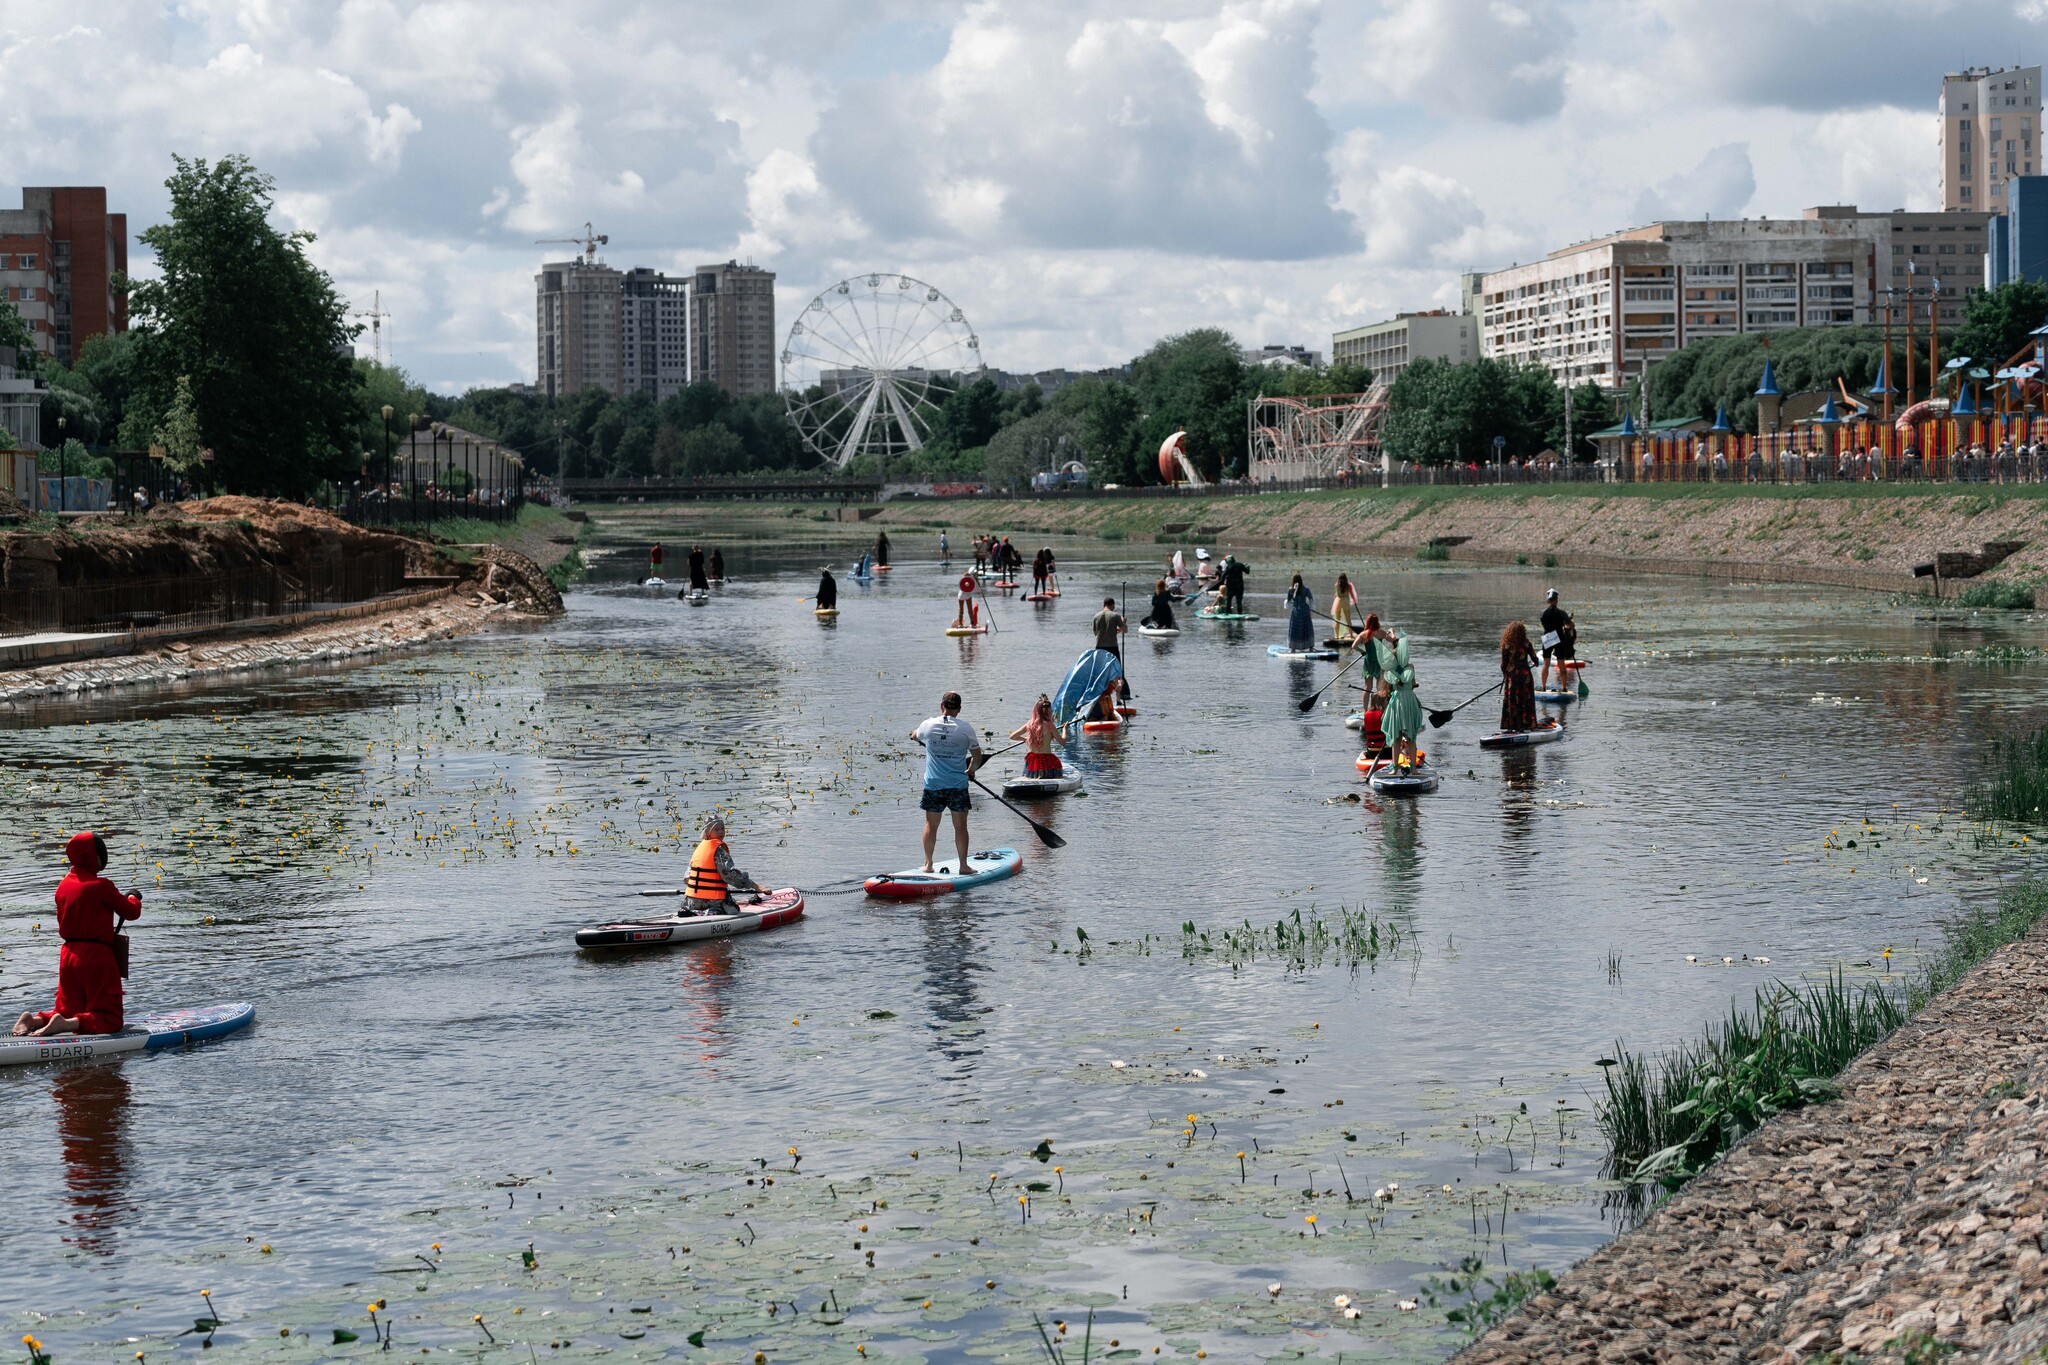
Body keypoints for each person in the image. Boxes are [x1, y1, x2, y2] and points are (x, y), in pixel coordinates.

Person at [12, 833, 141, 1038]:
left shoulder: (63, 886)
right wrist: (133, 898)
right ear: (94, 857)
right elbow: (131, 912)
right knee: (109, 1017)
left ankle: (34, 1020)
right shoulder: (101, 886)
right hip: (96, 956)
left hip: (68, 955)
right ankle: (63, 1025)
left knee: (67, 1008)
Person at [911, 691, 987, 873]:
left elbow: (915, 735)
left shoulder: (928, 725)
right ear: (959, 710)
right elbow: (977, 757)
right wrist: (971, 771)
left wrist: (915, 735)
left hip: (933, 784)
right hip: (957, 785)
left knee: (931, 825)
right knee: (960, 826)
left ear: (941, 706)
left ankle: (928, 865)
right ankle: (963, 866)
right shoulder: (965, 729)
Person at [684, 816, 763, 916]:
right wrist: (753, 885)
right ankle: (712, 912)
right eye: (716, 829)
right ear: (708, 832)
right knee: (734, 908)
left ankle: (696, 912)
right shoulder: (719, 852)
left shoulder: (699, 850)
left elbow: (687, 878)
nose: (721, 832)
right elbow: (730, 875)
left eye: (722, 828)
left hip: (691, 903)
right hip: (713, 903)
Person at [1009, 695, 1068, 776]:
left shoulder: (1030, 724)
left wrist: (1025, 739)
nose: (1052, 710)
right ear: (1048, 711)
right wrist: (1065, 729)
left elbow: (1012, 736)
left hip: (1033, 762)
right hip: (1047, 762)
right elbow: (1063, 742)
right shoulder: (1050, 725)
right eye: (1050, 709)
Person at [1499, 621, 1538, 733]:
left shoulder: (1506, 644)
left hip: (1512, 677)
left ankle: (1514, 726)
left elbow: (1503, 664)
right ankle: (1527, 725)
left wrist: (1506, 675)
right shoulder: (1527, 643)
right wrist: (1534, 662)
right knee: (1527, 700)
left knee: (1513, 701)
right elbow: (1535, 660)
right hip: (1526, 676)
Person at [1538, 589, 1576, 691]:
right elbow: (1570, 625)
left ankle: (1544, 687)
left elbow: (1544, 625)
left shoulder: (1543, 613)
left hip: (1548, 637)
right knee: (1561, 663)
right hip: (1559, 637)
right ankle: (1564, 688)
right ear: (1556, 600)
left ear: (1548, 601)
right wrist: (1570, 622)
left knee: (1546, 663)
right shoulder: (1562, 613)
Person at [1285, 573, 1315, 651]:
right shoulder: (1306, 589)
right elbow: (1311, 599)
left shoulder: (1291, 590)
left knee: (1295, 630)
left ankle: (1293, 649)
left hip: (1296, 612)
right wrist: (1311, 607)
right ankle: (1311, 647)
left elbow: (1288, 600)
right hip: (1305, 611)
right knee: (1307, 628)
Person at [1330, 573, 1361, 644]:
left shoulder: (1337, 585)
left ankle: (1337, 636)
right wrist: (1354, 601)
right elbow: (1352, 595)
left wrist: (1336, 595)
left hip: (1338, 601)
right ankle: (1351, 635)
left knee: (1337, 619)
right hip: (1346, 602)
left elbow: (1337, 594)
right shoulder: (1349, 585)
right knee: (1348, 619)